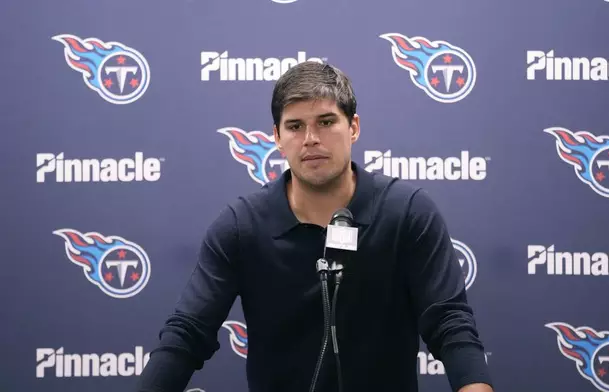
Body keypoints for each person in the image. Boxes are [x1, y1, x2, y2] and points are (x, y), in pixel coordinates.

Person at [135, 62, 494, 392]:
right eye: (295, 126)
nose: (311, 139)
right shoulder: (240, 226)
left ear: (353, 127)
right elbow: (187, 333)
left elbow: (450, 323)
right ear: (276, 136)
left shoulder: (408, 212)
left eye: (326, 122)